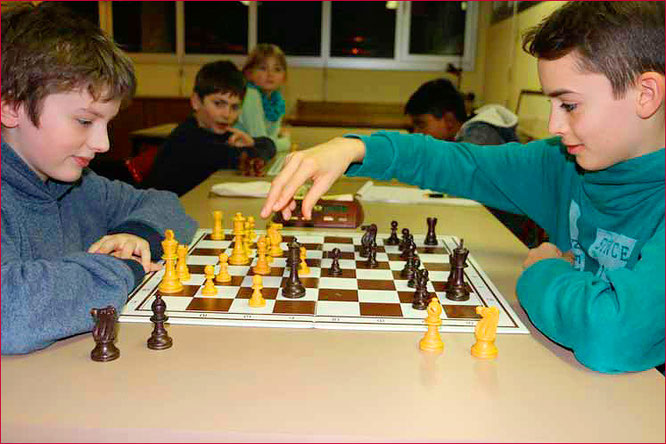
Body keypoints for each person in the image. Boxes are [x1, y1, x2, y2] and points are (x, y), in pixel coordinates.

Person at [260, 1, 665, 374]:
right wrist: (355, 147)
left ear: (645, 95)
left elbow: (611, 335)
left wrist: (543, 272)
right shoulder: (562, 162)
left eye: (570, 105)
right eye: (552, 105)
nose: (553, 127)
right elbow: (458, 162)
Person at [1, 3, 198, 355]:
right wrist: (125, 267)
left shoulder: (78, 184)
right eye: (84, 121)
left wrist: (137, 236)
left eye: (107, 123)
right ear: (12, 106)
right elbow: (11, 313)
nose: (103, 143)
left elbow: (167, 205)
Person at [406, 78, 544, 247]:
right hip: (491, 226)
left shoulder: (480, 136)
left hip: (511, 237)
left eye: (421, 124)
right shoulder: (466, 135)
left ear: (449, 120)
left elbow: (461, 187)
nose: (416, 132)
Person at [142, 61, 276, 196]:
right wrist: (252, 150)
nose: (227, 114)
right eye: (218, 104)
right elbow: (239, 156)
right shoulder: (187, 138)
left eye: (234, 107)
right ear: (196, 101)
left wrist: (252, 144)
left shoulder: (214, 130)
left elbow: (269, 144)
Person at [235, 44, 291, 153]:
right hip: (237, 160)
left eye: (277, 69)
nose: (270, 74)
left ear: (284, 77)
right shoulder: (250, 95)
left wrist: (275, 142)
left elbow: (269, 142)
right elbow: (262, 146)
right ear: (249, 73)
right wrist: (286, 141)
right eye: (263, 68)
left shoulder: (277, 100)